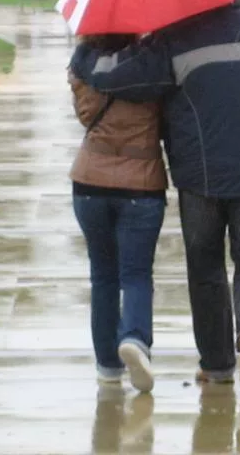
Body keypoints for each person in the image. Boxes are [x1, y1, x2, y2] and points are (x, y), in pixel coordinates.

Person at [68, 0, 240, 395]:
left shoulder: (181, 42)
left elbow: (117, 78)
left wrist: (84, 55)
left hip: (199, 174)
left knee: (206, 267)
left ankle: (217, 365)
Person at [68, 33, 168, 393]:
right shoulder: (154, 65)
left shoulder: (82, 62)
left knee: (103, 276)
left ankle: (108, 366)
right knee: (137, 274)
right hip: (140, 185)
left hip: (89, 183)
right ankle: (135, 339)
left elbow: (84, 116)